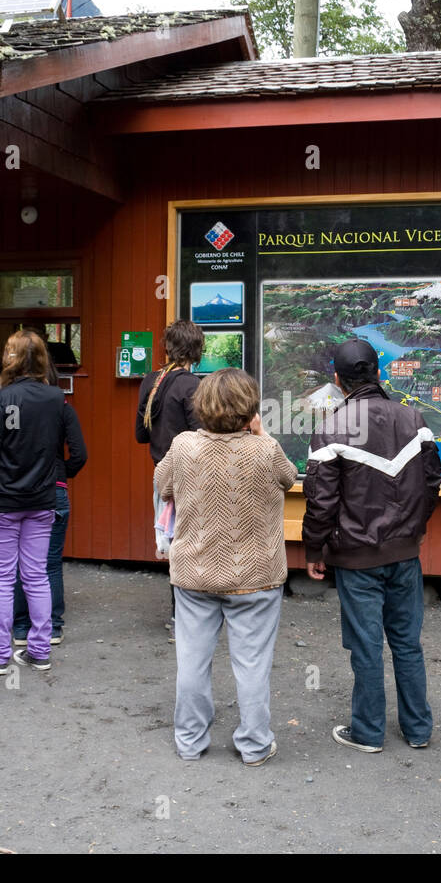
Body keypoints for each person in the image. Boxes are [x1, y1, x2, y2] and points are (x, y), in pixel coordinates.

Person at [303, 338, 441, 753]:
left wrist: (315, 550)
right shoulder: (414, 420)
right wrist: (413, 529)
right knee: (407, 642)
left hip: (355, 558)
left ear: (337, 381)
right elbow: (432, 483)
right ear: (378, 374)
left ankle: (368, 732)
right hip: (404, 553)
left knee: (365, 644)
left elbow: (321, 501)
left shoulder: (330, 429)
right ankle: (418, 730)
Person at [154, 368, 297, 765]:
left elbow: (162, 484)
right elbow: (289, 478)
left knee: (192, 662)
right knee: (252, 665)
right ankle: (253, 746)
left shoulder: (183, 446)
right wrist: (261, 433)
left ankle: (190, 742)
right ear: (251, 408)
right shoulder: (265, 451)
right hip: (256, 575)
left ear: (202, 406)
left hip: (195, 573)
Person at [0, 331, 67, 674]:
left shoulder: (2, 398)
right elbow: (61, 450)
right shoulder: (57, 399)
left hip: (2, 502)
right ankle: (39, 651)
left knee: (1, 579)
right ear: (43, 359)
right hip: (41, 499)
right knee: (37, 576)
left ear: (9, 358)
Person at [135, 319, 205, 638]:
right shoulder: (193, 386)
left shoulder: (151, 380)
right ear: (197, 349)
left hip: (161, 476)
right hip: (191, 478)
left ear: (167, 346)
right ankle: (192, 618)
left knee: (175, 547)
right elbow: (203, 437)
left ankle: (179, 618)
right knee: (195, 546)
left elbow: (141, 434)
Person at [11, 364, 87, 647]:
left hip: (19, 490)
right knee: (50, 563)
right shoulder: (62, 405)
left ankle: (20, 628)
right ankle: (53, 627)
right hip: (54, 490)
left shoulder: (10, 403)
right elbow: (80, 452)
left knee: (21, 561)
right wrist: (62, 471)